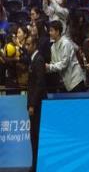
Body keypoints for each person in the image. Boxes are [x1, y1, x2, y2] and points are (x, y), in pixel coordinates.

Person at [26, 34, 47, 172]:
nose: (26, 46)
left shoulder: (38, 60)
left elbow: (40, 84)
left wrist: (33, 104)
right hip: (34, 105)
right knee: (33, 136)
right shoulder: (33, 59)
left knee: (36, 136)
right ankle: (35, 165)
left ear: (34, 45)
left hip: (38, 106)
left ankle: (38, 166)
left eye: (28, 44)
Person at [46, 21, 85, 92]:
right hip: (67, 82)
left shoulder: (65, 43)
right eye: (49, 31)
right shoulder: (52, 47)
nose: (49, 33)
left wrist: (49, 67)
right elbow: (54, 63)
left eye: (51, 30)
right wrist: (47, 68)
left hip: (76, 80)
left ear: (57, 32)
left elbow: (64, 63)